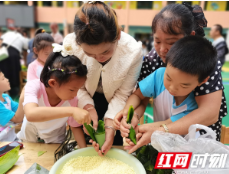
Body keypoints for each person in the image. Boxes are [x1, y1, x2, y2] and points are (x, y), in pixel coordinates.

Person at [114, 2, 227, 153]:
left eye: (172, 43)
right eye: (157, 41)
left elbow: (209, 113)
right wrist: (132, 115)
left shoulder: (204, 60)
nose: (162, 50)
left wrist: (160, 129)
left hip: (199, 140)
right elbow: (141, 98)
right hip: (164, 138)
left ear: (190, 36)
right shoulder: (153, 61)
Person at [62, 1, 142, 156]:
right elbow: (75, 86)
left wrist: (111, 125)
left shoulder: (133, 52)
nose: (98, 58)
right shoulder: (71, 47)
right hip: (83, 99)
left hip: (116, 102)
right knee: (87, 146)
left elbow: (122, 93)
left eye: (105, 52)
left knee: (113, 145)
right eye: (90, 54)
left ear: (118, 35)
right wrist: (88, 107)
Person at [115, 36, 217, 146]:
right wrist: (128, 114)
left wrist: (138, 129)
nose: (172, 88)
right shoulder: (159, 75)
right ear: (166, 62)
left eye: (184, 85)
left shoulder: (193, 106)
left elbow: (166, 125)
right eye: (168, 78)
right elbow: (138, 96)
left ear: (202, 81)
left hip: (184, 149)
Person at [17, 48, 91, 147]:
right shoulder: (34, 86)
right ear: (52, 83)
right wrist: (72, 111)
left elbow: (75, 127)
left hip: (55, 142)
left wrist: (84, 150)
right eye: (72, 90)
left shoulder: (72, 100)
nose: (75, 95)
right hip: (29, 139)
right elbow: (31, 114)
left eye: (78, 90)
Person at [0, 27, 28, 98]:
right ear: (23, 33)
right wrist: (25, 63)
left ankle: (5, 91)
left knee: (3, 72)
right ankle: (17, 92)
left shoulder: (8, 33)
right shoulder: (23, 38)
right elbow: (25, 53)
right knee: (15, 73)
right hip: (14, 56)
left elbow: (1, 41)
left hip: (3, 54)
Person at [0, 69, 24, 141]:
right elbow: (17, 119)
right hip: (2, 142)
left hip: (12, 138)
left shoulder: (6, 97)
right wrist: (22, 98)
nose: (7, 80)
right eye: (3, 79)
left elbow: (20, 110)